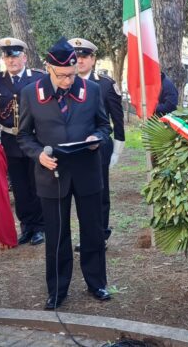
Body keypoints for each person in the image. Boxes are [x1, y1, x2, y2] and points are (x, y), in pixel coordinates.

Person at [17, 37, 112, 309]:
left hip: (87, 172)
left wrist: (97, 137)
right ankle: (57, 289)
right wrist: (39, 155)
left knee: (92, 231)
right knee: (57, 235)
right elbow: (24, 136)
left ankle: (97, 283)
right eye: (62, 76)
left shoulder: (91, 90)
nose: (69, 81)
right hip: (52, 175)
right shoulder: (30, 94)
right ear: (48, 68)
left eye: (72, 74)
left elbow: (105, 127)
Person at [0, 37, 46, 246]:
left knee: (35, 185)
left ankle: (39, 227)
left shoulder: (39, 78)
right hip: (9, 142)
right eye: (6, 57)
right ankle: (27, 226)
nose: (10, 61)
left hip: (33, 140)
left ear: (24, 57)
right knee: (20, 188)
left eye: (14, 57)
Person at [68, 38, 125, 252]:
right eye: (76, 57)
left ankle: (99, 235)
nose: (79, 61)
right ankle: (86, 235)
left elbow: (118, 121)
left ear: (93, 59)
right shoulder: (66, 83)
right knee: (79, 194)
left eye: (84, 56)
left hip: (99, 147)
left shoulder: (105, 84)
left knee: (99, 193)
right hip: (73, 148)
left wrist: (117, 151)